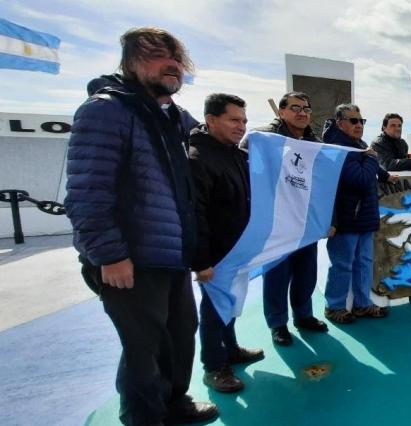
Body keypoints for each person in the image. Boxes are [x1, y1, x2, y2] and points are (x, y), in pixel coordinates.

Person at [64, 27, 218, 425]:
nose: (170, 64)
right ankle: (144, 418)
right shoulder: (106, 110)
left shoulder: (173, 118)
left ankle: (174, 402)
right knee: (142, 347)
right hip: (131, 259)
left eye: (175, 58)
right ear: (130, 62)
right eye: (155, 56)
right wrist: (110, 255)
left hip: (172, 255)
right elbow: (87, 191)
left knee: (181, 335)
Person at [188, 93, 265, 393]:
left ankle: (229, 348)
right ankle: (215, 367)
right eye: (234, 120)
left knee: (232, 304)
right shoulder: (198, 159)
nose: (241, 126)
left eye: (244, 121)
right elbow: (195, 214)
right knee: (214, 309)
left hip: (238, 249)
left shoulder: (235, 154)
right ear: (211, 120)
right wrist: (201, 261)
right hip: (217, 254)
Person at [250, 92, 330, 346]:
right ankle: (278, 324)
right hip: (275, 224)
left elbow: (325, 184)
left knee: (306, 274)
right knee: (276, 275)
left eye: (307, 108)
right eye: (296, 108)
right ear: (282, 111)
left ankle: (304, 315)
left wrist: (328, 218)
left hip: (305, 222)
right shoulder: (264, 139)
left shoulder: (314, 143)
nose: (303, 113)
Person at [321, 104, 396, 324]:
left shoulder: (357, 146)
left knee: (364, 261)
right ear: (339, 123)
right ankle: (334, 306)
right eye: (353, 121)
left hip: (363, 215)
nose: (359, 125)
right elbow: (360, 178)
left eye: (361, 121)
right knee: (342, 263)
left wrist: (384, 175)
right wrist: (372, 158)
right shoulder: (337, 149)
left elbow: (371, 170)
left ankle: (362, 304)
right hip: (346, 217)